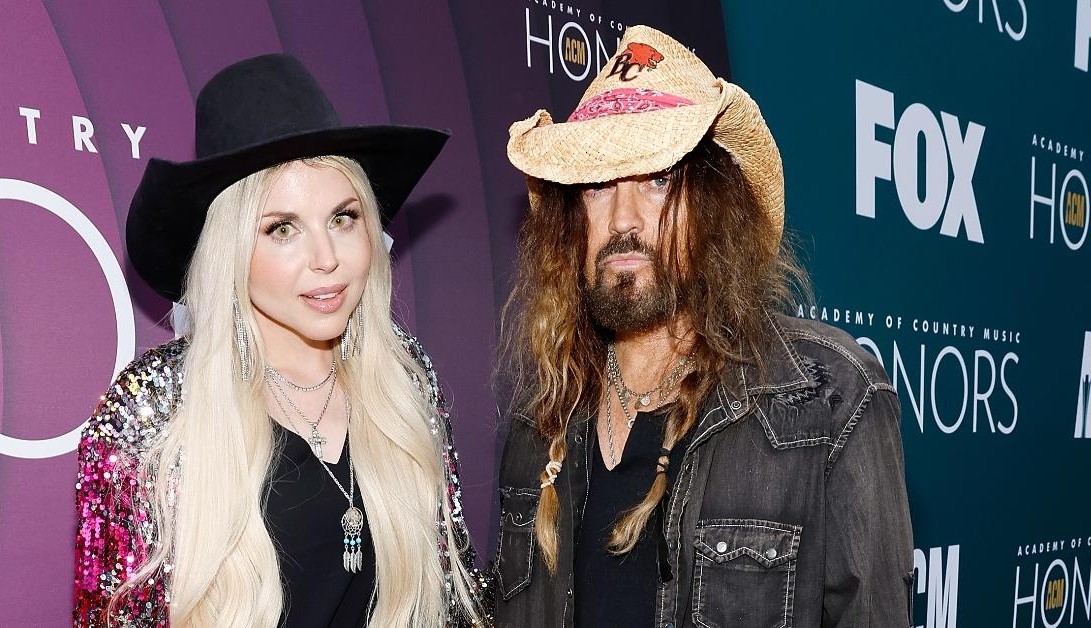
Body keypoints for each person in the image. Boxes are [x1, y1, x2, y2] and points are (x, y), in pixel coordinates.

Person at [492, 25, 913, 627]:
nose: (624, 220)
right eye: (596, 189)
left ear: (714, 206)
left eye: (659, 180)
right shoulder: (544, 423)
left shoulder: (830, 400)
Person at [74, 53, 486, 627]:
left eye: (343, 218)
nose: (327, 260)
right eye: (283, 229)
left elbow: (452, 595)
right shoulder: (153, 413)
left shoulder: (406, 378)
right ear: (231, 251)